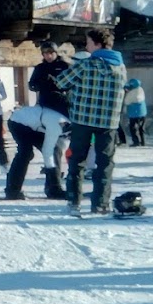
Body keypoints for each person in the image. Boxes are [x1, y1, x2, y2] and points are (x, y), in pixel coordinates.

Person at [55, 27, 127, 213]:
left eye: (88, 43)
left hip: (83, 120)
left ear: (97, 44)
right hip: (109, 122)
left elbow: (61, 82)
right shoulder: (120, 66)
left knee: (77, 162)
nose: (86, 47)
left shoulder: (86, 65)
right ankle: (100, 204)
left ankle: (74, 201)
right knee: (104, 164)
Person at [3, 102, 70, 199]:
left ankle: (53, 189)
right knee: (26, 153)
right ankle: (12, 190)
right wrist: (52, 170)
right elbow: (48, 151)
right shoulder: (58, 124)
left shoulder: (67, 125)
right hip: (18, 122)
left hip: (35, 125)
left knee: (55, 151)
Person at [28, 40, 70, 115]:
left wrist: (56, 82)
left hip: (60, 102)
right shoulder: (40, 68)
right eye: (46, 54)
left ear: (56, 53)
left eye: (51, 53)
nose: (49, 56)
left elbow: (69, 84)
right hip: (45, 102)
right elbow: (32, 85)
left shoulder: (64, 66)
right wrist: (42, 83)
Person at [122, 77, 148, 146]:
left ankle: (136, 142)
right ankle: (143, 141)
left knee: (133, 128)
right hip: (143, 112)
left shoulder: (132, 93)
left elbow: (126, 101)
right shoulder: (141, 89)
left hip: (134, 113)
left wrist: (126, 93)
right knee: (141, 128)